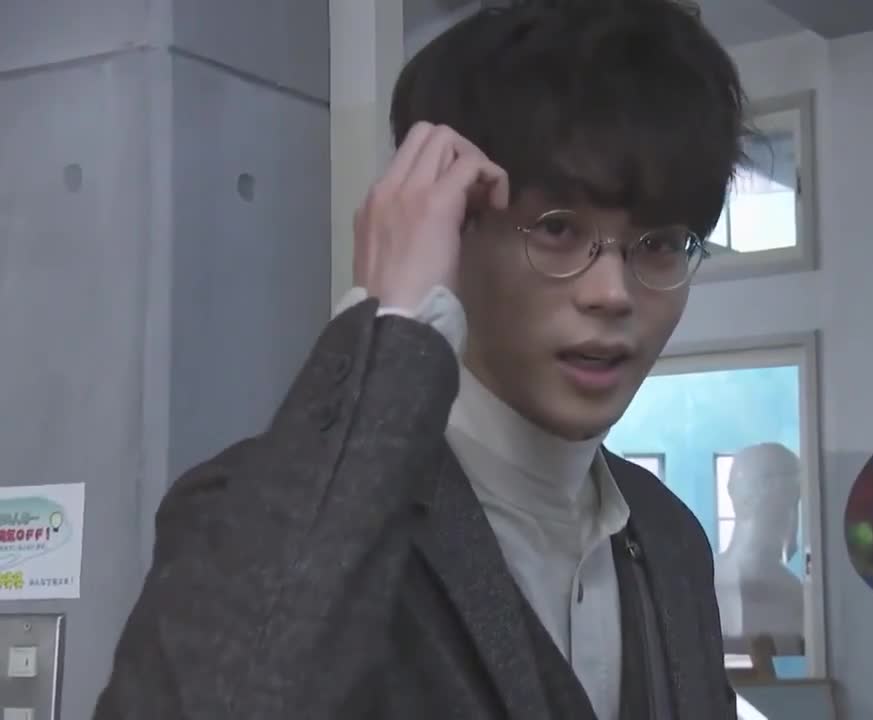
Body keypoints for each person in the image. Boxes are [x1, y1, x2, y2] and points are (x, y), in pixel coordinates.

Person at [93, 0, 747, 718]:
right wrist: (396, 323)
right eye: (558, 229)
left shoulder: (669, 537)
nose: (612, 293)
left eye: (659, 244)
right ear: (454, 228)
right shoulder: (261, 508)